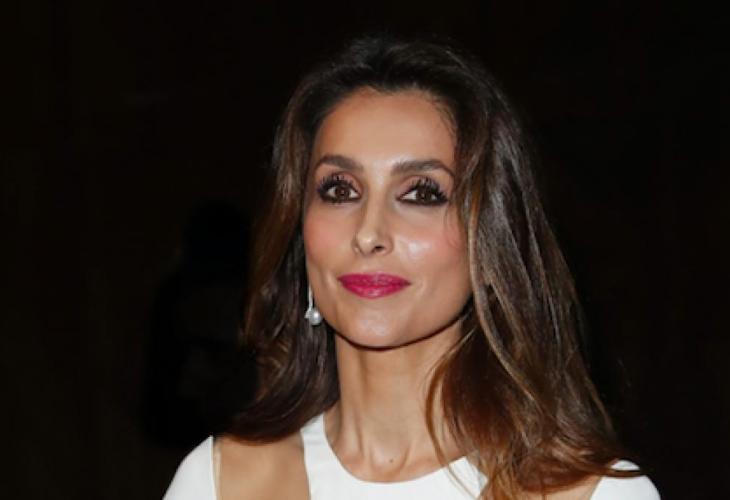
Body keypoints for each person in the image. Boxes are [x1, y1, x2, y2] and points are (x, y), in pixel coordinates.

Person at [163, 34, 660, 499]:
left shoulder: (595, 494)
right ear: (300, 228)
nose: (369, 233)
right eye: (340, 190)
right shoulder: (218, 481)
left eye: (422, 193)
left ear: (490, 237)